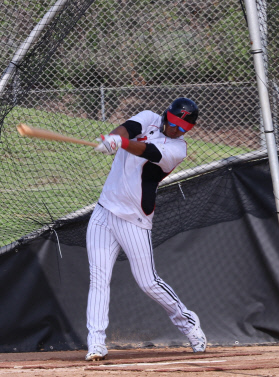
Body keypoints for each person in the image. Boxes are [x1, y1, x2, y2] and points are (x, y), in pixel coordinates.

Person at [85, 97, 206, 361]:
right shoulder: (149, 117)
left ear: (189, 130)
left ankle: (189, 323)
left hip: (134, 219)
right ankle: (96, 343)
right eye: (173, 123)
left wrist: (123, 143)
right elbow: (127, 129)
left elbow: (147, 152)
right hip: (104, 210)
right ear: (166, 115)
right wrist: (114, 137)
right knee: (99, 279)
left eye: (182, 128)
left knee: (148, 282)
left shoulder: (178, 149)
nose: (175, 130)